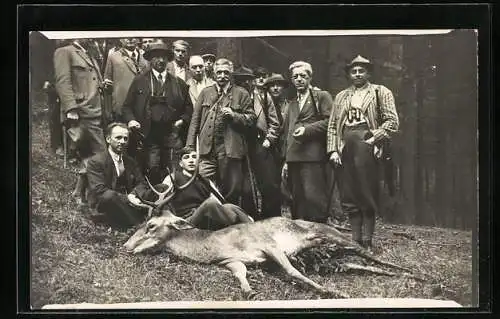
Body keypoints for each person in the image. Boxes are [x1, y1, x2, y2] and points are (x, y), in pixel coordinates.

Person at [327, 55, 399, 250]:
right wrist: (333, 149)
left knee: (366, 190)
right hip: (345, 146)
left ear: (368, 73)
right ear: (349, 74)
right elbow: (333, 125)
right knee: (348, 192)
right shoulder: (342, 96)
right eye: (354, 71)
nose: (357, 74)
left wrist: (374, 139)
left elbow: (392, 122)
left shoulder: (379, 92)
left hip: (366, 145)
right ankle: (354, 240)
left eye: (361, 70)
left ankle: (367, 240)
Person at [186, 58, 256, 206]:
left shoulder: (241, 93)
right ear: (213, 73)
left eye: (226, 72)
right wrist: (190, 145)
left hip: (230, 149)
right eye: (219, 72)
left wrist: (234, 115)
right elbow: (195, 121)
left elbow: (251, 120)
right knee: (202, 182)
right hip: (207, 149)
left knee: (231, 189)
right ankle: (209, 218)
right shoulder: (205, 92)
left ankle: (229, 221)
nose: (222, 76)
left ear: (231, 74)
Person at [122, 42, 193, 185]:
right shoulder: (139, 81)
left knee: (173, 172)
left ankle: (174, 203)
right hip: (148, 136)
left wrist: (182, 121)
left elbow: (189, 109)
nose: (160, 60)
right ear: (150, 59)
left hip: (172, 135)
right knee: (152, 170)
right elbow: (127, 107)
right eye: (156, 57)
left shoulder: (179, 83)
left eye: (164, 57)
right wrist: (131, 121)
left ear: (168, 60)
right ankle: (154, 202)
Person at [149, 147, 254, 230]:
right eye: (186, 157)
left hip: (205, 218)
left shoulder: (206, 181)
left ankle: (250, 225)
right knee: (210, 203)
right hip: (185, 221)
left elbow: (220, 202)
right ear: (181, 163)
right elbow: (161, 201)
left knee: (230, 206)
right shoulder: (173, 177)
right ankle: (239, 225)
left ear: (198, 161)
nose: (191, 160)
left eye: (194, 157)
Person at [281, 61, 333, 223]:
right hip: (294, 157)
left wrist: (307, 130)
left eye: (303, 76)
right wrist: (285, 160)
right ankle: (301, 237)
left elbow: (330, 122)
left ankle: (320, 236)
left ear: (310, 77)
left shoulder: (321, 96)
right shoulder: (292, 103)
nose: (299, 79)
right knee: (297, 200)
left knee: (314, 199)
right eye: (295, 77)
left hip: (313, 157)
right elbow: (287, 132)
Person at [53, 38, 107, 163]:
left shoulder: (89, 54)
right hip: (81, 110)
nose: (90, 37)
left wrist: (103, 85)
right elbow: (63, 82)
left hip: (96, 109)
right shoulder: (64, 51)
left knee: (93, 154)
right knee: (101, 154)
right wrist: (71, 108)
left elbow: (89, 81)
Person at [86, 122, 150, 228]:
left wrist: (134, 195)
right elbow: (99, 190)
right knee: (110, 196)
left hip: (129, 200)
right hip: (107, 205)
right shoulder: (96, 161)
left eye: (125, 139)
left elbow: (142, 183)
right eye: (118, 138)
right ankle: (138, 224)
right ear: (108, 139)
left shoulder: (130, 161)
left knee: (160, 188)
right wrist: (128, 199)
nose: (122, 142)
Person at [239, 66, 281, 220]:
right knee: (246, 186)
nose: (245, 84)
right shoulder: (234, 97)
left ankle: (272, 218)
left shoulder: (263, 97)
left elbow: (275, 123)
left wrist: (269, 140)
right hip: (242, 145)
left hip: (260, 143)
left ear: (252, 81)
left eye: (248, 80)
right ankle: (251, 219)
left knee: (269, 183)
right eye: (241, 81)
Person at [103, 38, 149, 124]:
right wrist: (108, 110)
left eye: (133, 36)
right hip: (121, 107)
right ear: (120, 39)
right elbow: (107, 84)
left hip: (142, 107)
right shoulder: (113, 56)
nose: (130, 39)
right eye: (126, 37)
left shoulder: (145, 57)